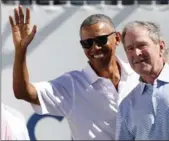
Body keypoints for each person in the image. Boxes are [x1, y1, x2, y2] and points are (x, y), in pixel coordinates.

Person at [9, 5, 139, 140]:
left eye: (101, 39)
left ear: (117, 38)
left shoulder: (138, 76)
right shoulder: (71, 85)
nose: (95, 47)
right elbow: (23, 92)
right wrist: (20, 51)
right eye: (87, 43)